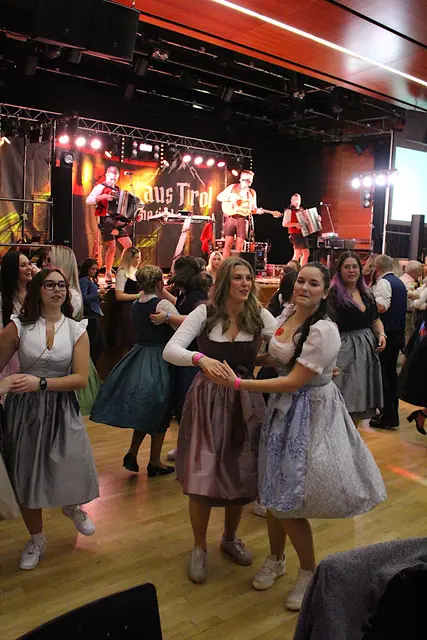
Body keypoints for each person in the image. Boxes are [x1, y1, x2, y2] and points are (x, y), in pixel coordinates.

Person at [207, 262, 386, 611]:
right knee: (273, 493)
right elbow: (279, 359)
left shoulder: (323, 330)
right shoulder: (288, 315)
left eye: (313, 283)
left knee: (289, 500)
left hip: (308, 414)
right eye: (301, 280)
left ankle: (308, 571)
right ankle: (276, 558)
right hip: (283, 411)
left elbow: (293, 381)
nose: (304, 287)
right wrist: (241, 358)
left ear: (325, 291)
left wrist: (239, 382)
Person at [163, 257, 277, 584]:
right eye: (238, 278)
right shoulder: (204, 313)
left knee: (239, 471)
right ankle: (199, 546)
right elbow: (171, 350)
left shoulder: (259, 315)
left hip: (245, 398)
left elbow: (285, 348)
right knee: (203, 472)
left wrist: (310, 363)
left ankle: (229, 538)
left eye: (249, 278)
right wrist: (200, 358)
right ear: (225, 281)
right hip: (207, 399)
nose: (245, 284)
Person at [0, 268, 99, 570]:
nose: (57, 290)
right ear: (38, 290)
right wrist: (7, 383)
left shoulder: (77, 329)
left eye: (62, 285)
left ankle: (72, 505)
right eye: (50, 285)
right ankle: (37, 539)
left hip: (61, 406)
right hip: (24, 410)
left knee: (70, 461)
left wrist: (40, 383)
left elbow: (80, 378)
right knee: (26, 473)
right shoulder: (18, 327)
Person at [91, 265, 176, 476]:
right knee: (160, 409)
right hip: (159, 356)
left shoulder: (137, 303)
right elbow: (179, 324)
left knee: (146, 409)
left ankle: (133, 451)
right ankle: (154, 461)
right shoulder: (162, 303)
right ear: (160, 283)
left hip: (140, 354)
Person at [150, 256, 210, 462]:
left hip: (192, 357)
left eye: (175, 270)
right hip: (185, 356)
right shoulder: (187, 293)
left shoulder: (197, 295)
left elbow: (194, 319)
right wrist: (162, 293)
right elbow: (181, 307)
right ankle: (186, 446)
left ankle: (192, 449)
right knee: (182, 404)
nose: (172, 274)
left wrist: (167, 317)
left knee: (189, 404)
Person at [328, 252, 385, 427]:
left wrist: (381, 334)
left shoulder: (367, 293)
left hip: (366, 351)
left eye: (354, 267)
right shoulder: (333, 295)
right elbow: (328, 323)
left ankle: (354, 436)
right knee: (344, 396)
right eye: (347, 267)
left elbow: (375, 320)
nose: (351, 270)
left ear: (360, 270)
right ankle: (340, 437)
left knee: (361, 398)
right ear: (339, 270)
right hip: (344, 350)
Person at [86, 166, 142, 283]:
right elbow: (88, 200)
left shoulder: (117, 189)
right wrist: (104, 196)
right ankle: (108, 272)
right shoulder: (100, 187)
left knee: (129, 245)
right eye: (111, 179)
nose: (113, 181)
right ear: (106, 175)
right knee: (112, 247)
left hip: (117, 221)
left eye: (115, 179)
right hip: (106, 220)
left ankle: (122, 269)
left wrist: (132, 216)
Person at [371, 254, 407, 430]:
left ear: (377, 267)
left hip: (387, 335)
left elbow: (382, 307)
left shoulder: (384, 283)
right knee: (391, 375)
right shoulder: (399, 282)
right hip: (398, 332)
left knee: (383, 375)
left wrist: (366, 303)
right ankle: (391, 412)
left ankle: (388, 415)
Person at [0, 251, 33, 384]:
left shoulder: (36, 296)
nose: (29, 268)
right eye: (23, 265)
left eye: (29, 264)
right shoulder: (3, 300)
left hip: (34, 355)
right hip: (11, 357)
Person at [106, 246, 141, 357]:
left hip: (134, 308)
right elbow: (119, 295)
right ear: (130, 258)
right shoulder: (122, 273)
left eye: (139, 258)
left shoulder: (136, 272)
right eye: (137, 258)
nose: (139, 260)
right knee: (126, 340)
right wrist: (138, 296)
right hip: (125, 309)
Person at [216, 170, 259, 259]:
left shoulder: (251, 192)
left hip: (243, 220)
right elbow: (219, 197)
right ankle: (225, 265)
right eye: (246, 180)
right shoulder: (233, 187)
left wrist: (257, 211)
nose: (249, 182)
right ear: (241, 179)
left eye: (250, 180)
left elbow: (253, 208)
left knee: (239, 246)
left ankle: (236, 264)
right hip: (231, 218)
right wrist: (230, 199)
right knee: (227, 244)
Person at [79, 258, 105, 364]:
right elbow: (84, 298)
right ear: (87, 269)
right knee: (94, 344)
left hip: (94, 313)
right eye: (92, 269)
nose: (95, 271)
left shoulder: (90, 280)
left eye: (96, 269)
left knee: (99, 344)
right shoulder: (84, 280)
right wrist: (97, 294)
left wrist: (99, 296)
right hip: (90, 315)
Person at [282, 194, 310, 266]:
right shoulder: (289, 210)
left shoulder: (301, 210)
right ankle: (291, 269)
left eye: (298, 200)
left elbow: (307, 221)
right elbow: (284, 224)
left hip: (302, 234)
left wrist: (316, 219)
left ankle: (299, 269)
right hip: (295, 234)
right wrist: (295, 224)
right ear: (291, 201)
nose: (297, 201)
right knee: (298, 253)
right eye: (295, 200)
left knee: (305, 253)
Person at [400, 260, 423, 344]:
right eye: (419, 272)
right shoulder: (408, 283)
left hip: (403, 313)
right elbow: (409, 304)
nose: (420, 274)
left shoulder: (401, 279)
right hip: (407, 314)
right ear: (413, 272)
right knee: (408, 335)